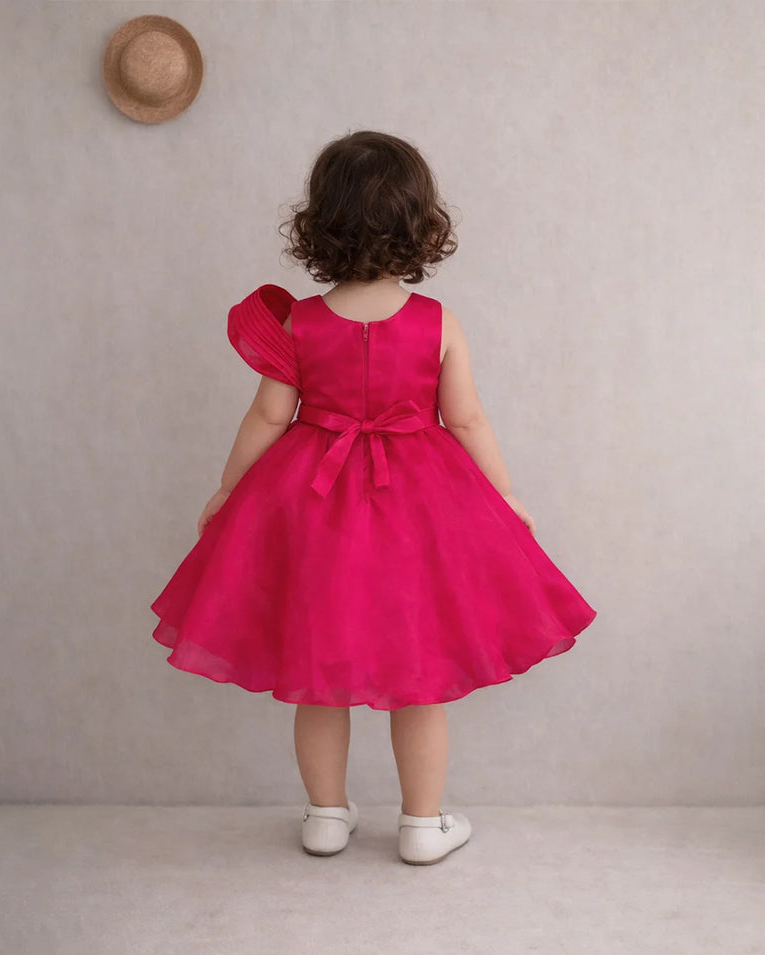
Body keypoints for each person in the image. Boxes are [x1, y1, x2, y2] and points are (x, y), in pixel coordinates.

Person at [150, 129, 597, 866]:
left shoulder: (299, 321)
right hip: (420, 509)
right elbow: (465, 418)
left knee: (318, 672)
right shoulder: (437, 323)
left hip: (312, 505)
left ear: (319, 223)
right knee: (419, 675)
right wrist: (505, 495)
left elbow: (269, 415)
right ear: (420, 223)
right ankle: (422, 826)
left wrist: (229, 488)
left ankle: (326, 817)